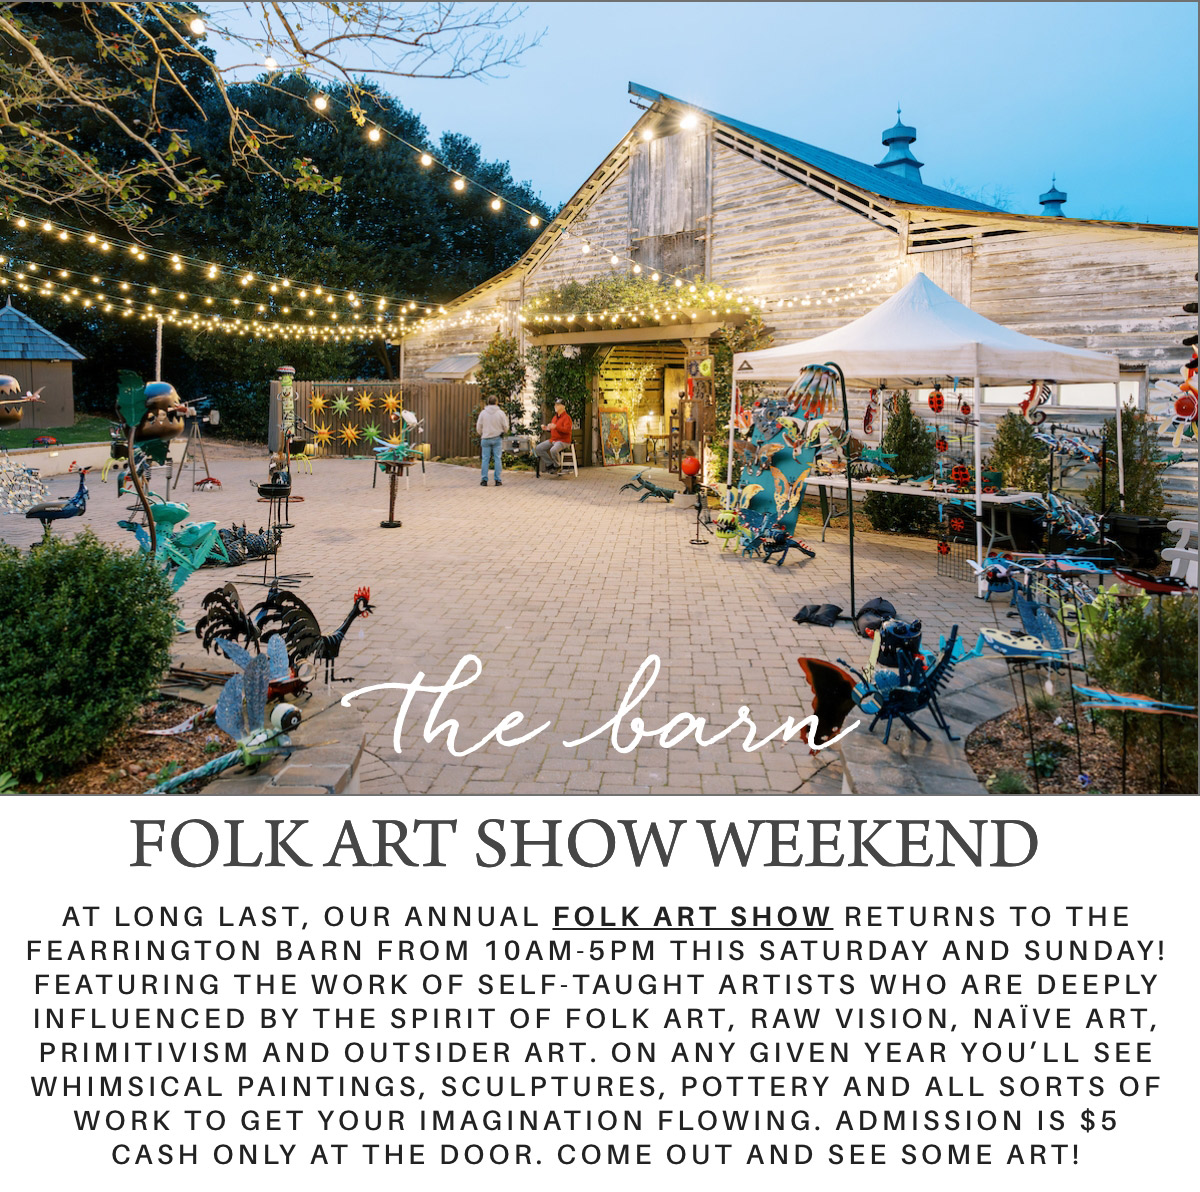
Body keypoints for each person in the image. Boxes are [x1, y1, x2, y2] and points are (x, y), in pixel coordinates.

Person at [476, 397, 509, 486]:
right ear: (496, 402)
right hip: (497, 438)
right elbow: (506, 426)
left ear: (488, 402)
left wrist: (482, 433)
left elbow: (478, 427)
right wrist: (504, 432)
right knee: (497, 459)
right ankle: (497, 480)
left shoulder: (483, 413)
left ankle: (484, 480)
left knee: (485, 459)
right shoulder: (500, 413)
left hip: (486, 438)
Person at [535, 400, 573, 475]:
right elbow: (553, 429)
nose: (555, 406)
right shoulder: (554, 418)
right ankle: (550, 465)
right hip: (553, 440)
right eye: (555, 405)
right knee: (538, 448)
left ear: (563, 407)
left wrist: (556, 427)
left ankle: (557, 466)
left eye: (558, 405)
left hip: (563, 440)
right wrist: (546, 428)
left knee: (553, 450)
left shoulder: (567, 418)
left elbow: (567, 430)